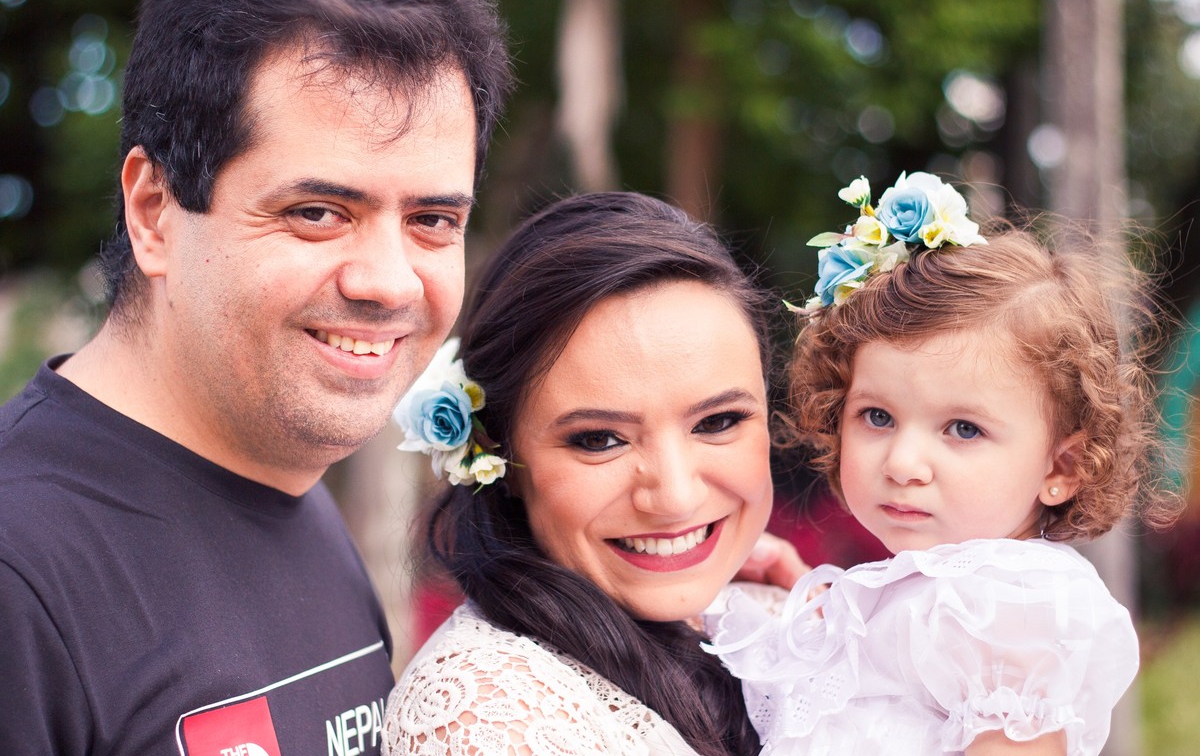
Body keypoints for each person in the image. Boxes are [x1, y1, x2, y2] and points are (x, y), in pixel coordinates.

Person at [0, 0, 512, 753]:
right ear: (155, 212)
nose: (387, 282)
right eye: (317, 211)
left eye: (434, 220)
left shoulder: (285, 480)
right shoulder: (22, 570)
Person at [706, 172, 1181, 755]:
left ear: (1063, 467)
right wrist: (816, 613)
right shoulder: (937, 597)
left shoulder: (1002, 613)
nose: (904, 463)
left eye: (963, 429)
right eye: (877, 417)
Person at [382, 192, 786, 756]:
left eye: (717, 422)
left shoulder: (781, 622)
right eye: (599, 440)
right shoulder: (491, 716)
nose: (672, 496)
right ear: (499, 453)